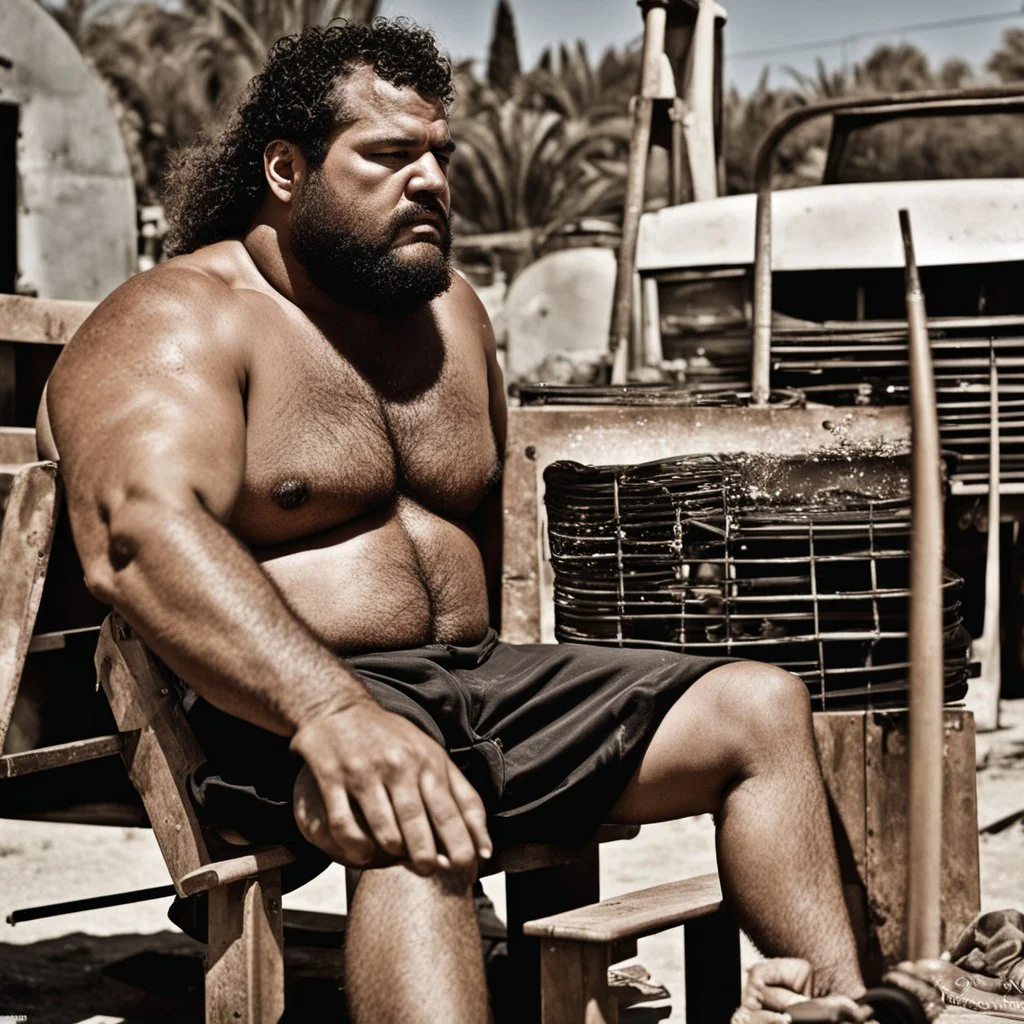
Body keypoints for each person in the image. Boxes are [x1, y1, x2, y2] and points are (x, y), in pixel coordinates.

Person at [43, 17, 874, 1023]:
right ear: (284, 168)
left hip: (478, 687)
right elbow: (135, 537)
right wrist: (332, 712)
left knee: (759, 706)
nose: (431, 180)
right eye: (390, 155)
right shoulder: (181, 316)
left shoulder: (454, 314)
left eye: (440, 155)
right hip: (278, 711)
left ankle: (835, 1004)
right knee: (413, 800)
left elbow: (471, 534)